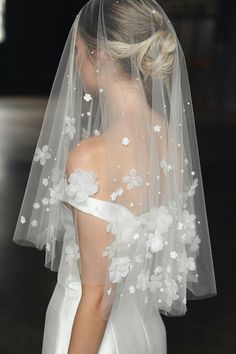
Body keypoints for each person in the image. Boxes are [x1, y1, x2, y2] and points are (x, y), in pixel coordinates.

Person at [12, 0, 217, 353]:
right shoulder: (168, 138)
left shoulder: (90, 158)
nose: (75, 63)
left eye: (78, 51)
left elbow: (97, 299)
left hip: (90, 336)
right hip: (145, 331)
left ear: (101, 54)